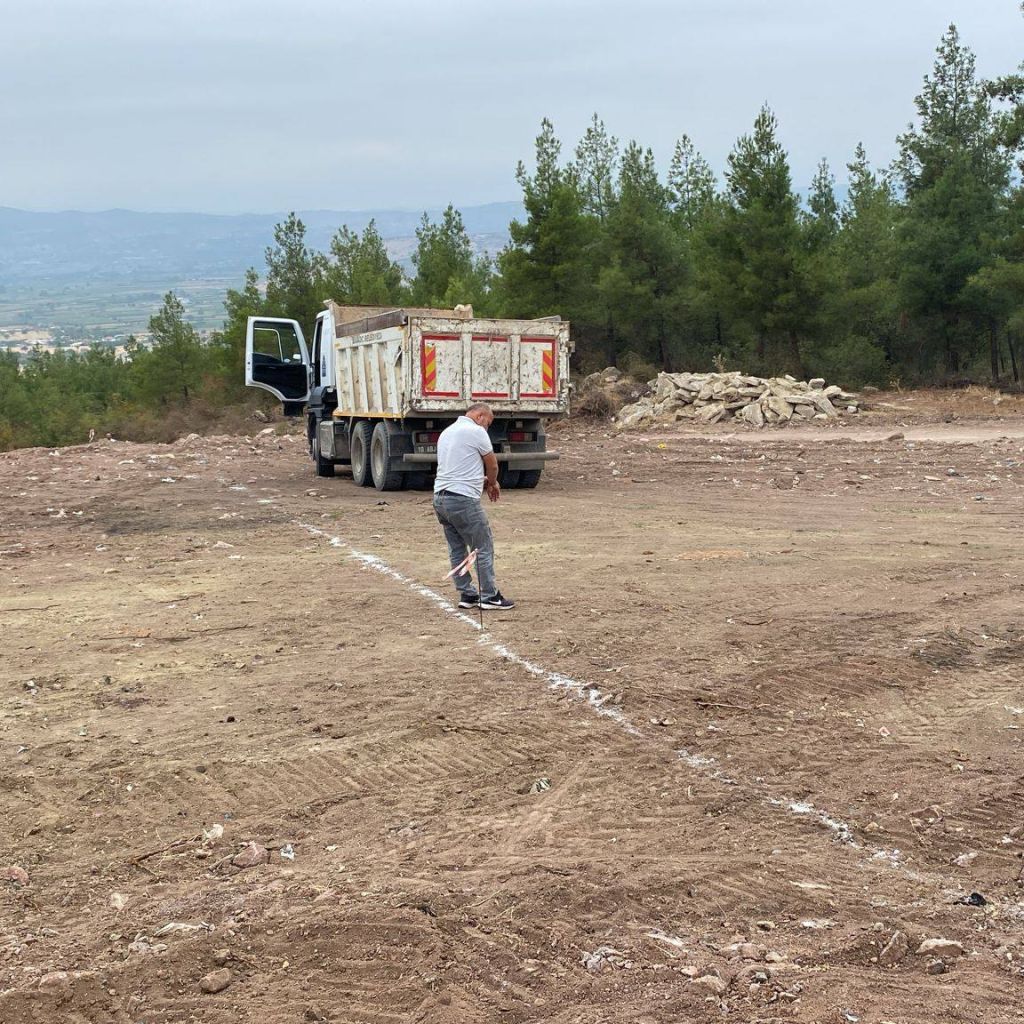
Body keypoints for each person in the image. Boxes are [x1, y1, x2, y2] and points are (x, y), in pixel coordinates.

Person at [433, 402, 515, 610]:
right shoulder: (476, 431)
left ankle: (467, 594)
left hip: (440, 497)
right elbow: (492, 464)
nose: (487, 427)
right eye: (488, 422)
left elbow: (461, 464)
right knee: (482, 546)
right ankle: (489, 595)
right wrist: (492, 482)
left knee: (457, 548)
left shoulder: (447, 432)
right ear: (480, 416)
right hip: (462, 499)